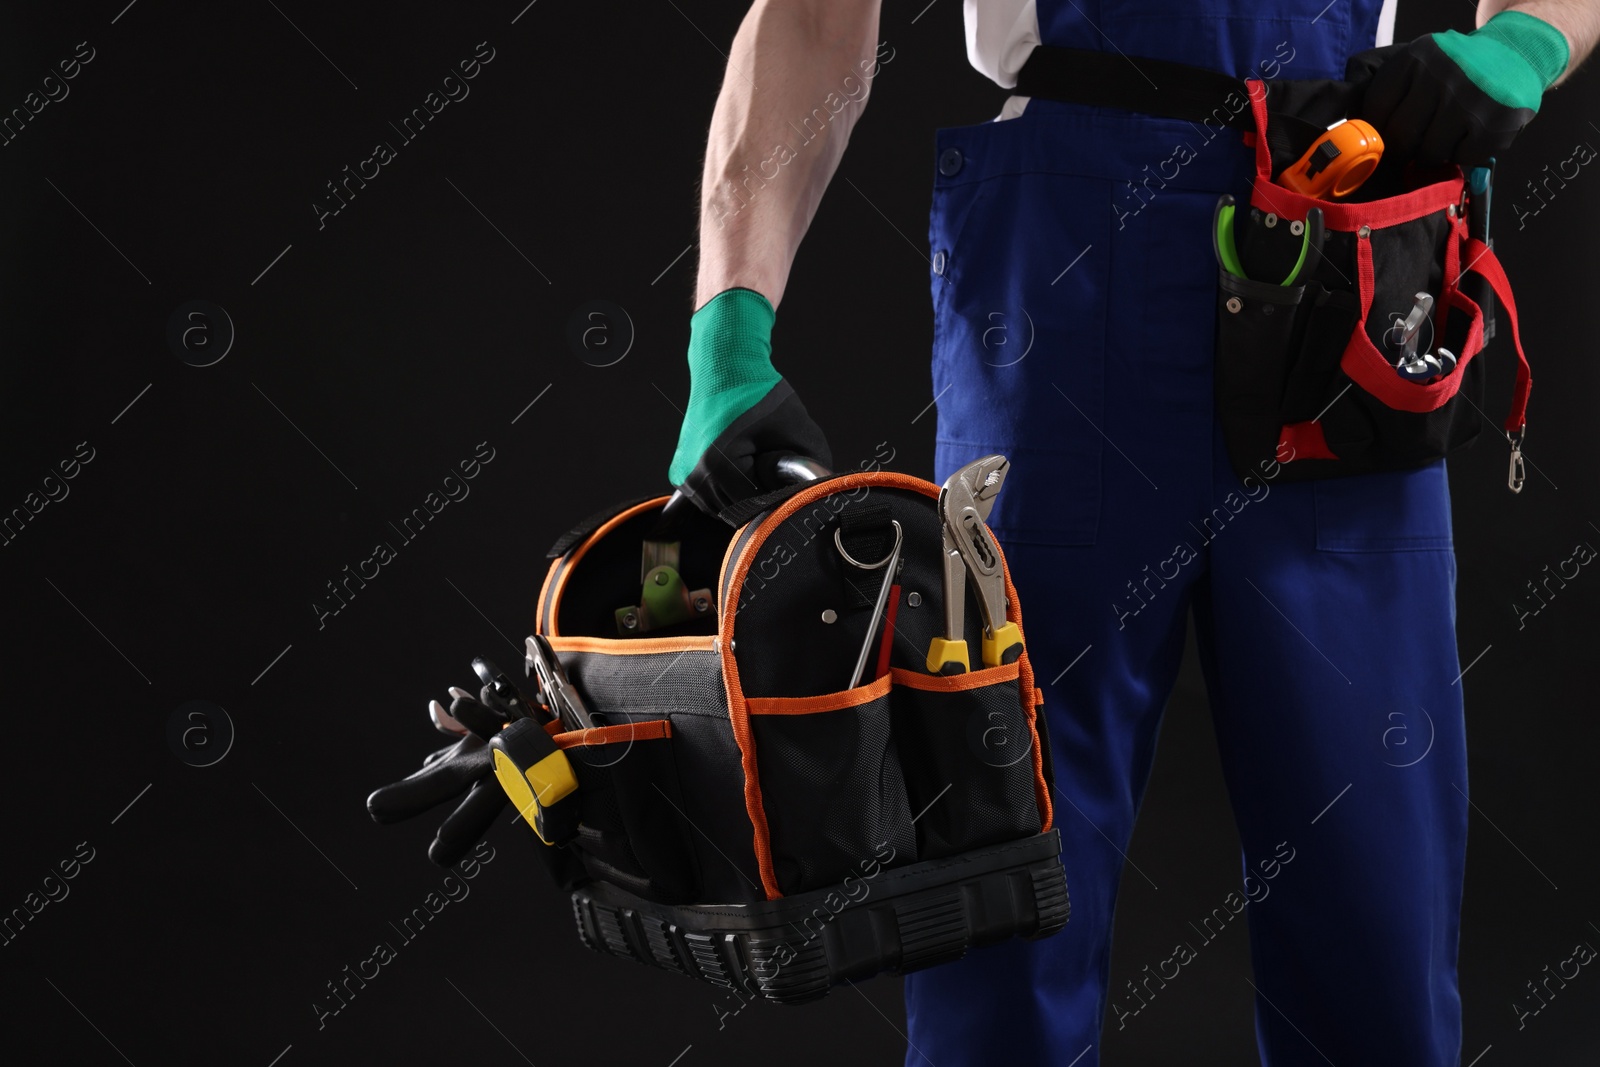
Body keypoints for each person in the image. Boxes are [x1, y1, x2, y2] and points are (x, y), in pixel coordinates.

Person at [668, 1, 1599, 1063]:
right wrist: (726, 325)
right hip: (1061, 277)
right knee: (999, 873)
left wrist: (1525, 38)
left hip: (1343, 241)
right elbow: (810, 16)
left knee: (1374, 901)